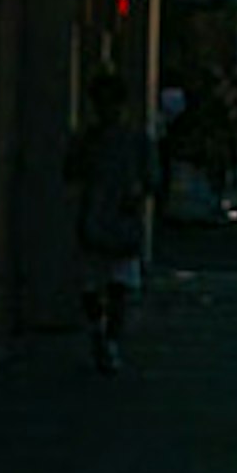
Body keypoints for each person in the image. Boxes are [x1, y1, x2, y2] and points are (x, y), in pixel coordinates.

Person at [63, 72, 162, 373]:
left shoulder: (98, 140)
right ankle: (106, 338)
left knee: (108, 285)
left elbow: (70, 173)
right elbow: (152, 179)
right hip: (113, 221)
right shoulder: (129, 140)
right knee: (107, 285)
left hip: (103, 219)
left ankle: (106, 338)